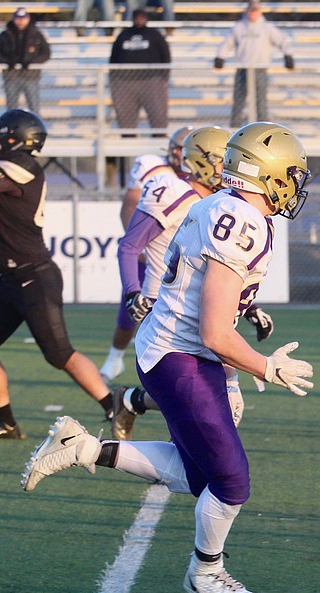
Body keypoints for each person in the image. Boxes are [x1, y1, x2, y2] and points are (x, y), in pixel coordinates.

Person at [20, 122, 314, 593]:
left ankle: (83, 448)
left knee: (202, 476)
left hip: (173, 350)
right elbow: (215, 332)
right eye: (292, 174)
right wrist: (264, 367)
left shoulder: (219, 205)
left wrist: (236, 371)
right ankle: (206, 572)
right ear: (269, 174)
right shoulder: (243, 221)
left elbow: (211, 309)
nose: (295, 186)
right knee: (232, 481)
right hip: (181, 356)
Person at [0, 110, 116, 440]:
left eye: (1, 134)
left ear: (17, 137)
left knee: (59, 354)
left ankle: (114, 406)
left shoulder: (22, 163)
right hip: (11, 281)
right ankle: (5, 422)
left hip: (34, 277)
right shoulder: (9, 167)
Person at [108, 125, 235, 440]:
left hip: (195, 305)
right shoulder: (174, 190)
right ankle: (179, 458)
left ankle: (132, 401)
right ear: (202, 161)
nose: (228, 169)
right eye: (223, 161)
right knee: (201, 395)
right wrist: (132, 292)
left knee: (202, 396)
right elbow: (129, 246)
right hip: (163, 307)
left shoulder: (221, 200)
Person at [213, 0, 294, 128]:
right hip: (243, 68)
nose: (252, 14)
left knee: (260, 100)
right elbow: (227, 43)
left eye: (255, 11)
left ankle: (262, 127)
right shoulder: (239, 27)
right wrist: (220, 57)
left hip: (259, 68)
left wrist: (287, 54)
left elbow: (281, 40)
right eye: (251, 11)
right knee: (239, 100)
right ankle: (235, 127)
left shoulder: (266, 28)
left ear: (259, 12)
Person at [108, 8, 171, 135]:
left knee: (158, 118)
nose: (140, 20)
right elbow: (114, 57)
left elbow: (166, 56)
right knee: (126, 122)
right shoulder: (124, 35)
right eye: (137, 17)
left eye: (142, 17)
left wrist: (163, 77)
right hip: (126, 82)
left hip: (151, 81)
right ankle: (127, 151)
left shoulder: (154, 35)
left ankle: (160, 148)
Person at [0, 8, 51, 115]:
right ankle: (12, 130)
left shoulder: (36, 34)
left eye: (23, 18)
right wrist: (8, 62)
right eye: (18, 18)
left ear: (28, 19)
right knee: (11, 109)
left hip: (30, 76)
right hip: (11, 76)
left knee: (34, 107)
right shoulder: (5, 35)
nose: (21, 21)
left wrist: (32, 62)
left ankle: (35, 129)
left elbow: (46, 53)